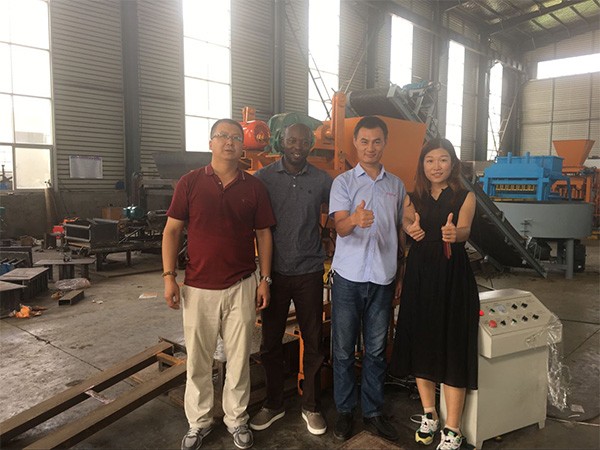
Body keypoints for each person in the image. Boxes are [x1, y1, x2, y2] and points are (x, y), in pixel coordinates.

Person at [162, 118, 276, 450]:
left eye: (236, 137)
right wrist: (169, 277)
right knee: (198, 360)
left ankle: (236, 419)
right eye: (222, 136)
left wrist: (265, 279)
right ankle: (198, 422)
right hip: (198, 287)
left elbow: (264, 235)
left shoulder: (254, 188)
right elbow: (172, 231)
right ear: (210, 143)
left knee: (239, 359)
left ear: (242, 147)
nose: (229, 142)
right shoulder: (190, 183)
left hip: (241, 285)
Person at [389, 138, 479, 450]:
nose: (436, 166)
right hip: (420, 277)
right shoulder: (412, 197)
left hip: (453, 278)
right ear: (422, 165)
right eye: (430, 160)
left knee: (453, 348)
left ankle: (453, 429)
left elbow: (465, 228)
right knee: (422, 344)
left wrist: (456, 234)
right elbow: (406, 220)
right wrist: (408, 228)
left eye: (442, 160)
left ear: (452, 164)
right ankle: (430, 414)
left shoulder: (466, 196)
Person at [250, 122, 333, 435]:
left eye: (303, 141)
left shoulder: (322, 180)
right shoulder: (264, 178)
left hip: (309, 271)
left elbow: (341, 208)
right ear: (281, 142)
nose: (298, 146)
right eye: (292, 140)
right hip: (274, 273)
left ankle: (311, 406)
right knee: (270, 342)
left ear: (311, 144)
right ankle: (273, 404)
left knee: (313, 342)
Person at [328, 115, 406, 442]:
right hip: (349, 278)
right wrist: (354, 220)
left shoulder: (396, 186)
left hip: (383, 279)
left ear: (384, 143)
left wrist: (400, 273)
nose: (370, 147)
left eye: (376, 141)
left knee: (375, 350)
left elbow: (401, 231)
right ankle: (345, 410)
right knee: (343, 350)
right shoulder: (343, 183)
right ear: (355, 143)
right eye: (364, 141)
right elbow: (339, 227)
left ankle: (372, 412)